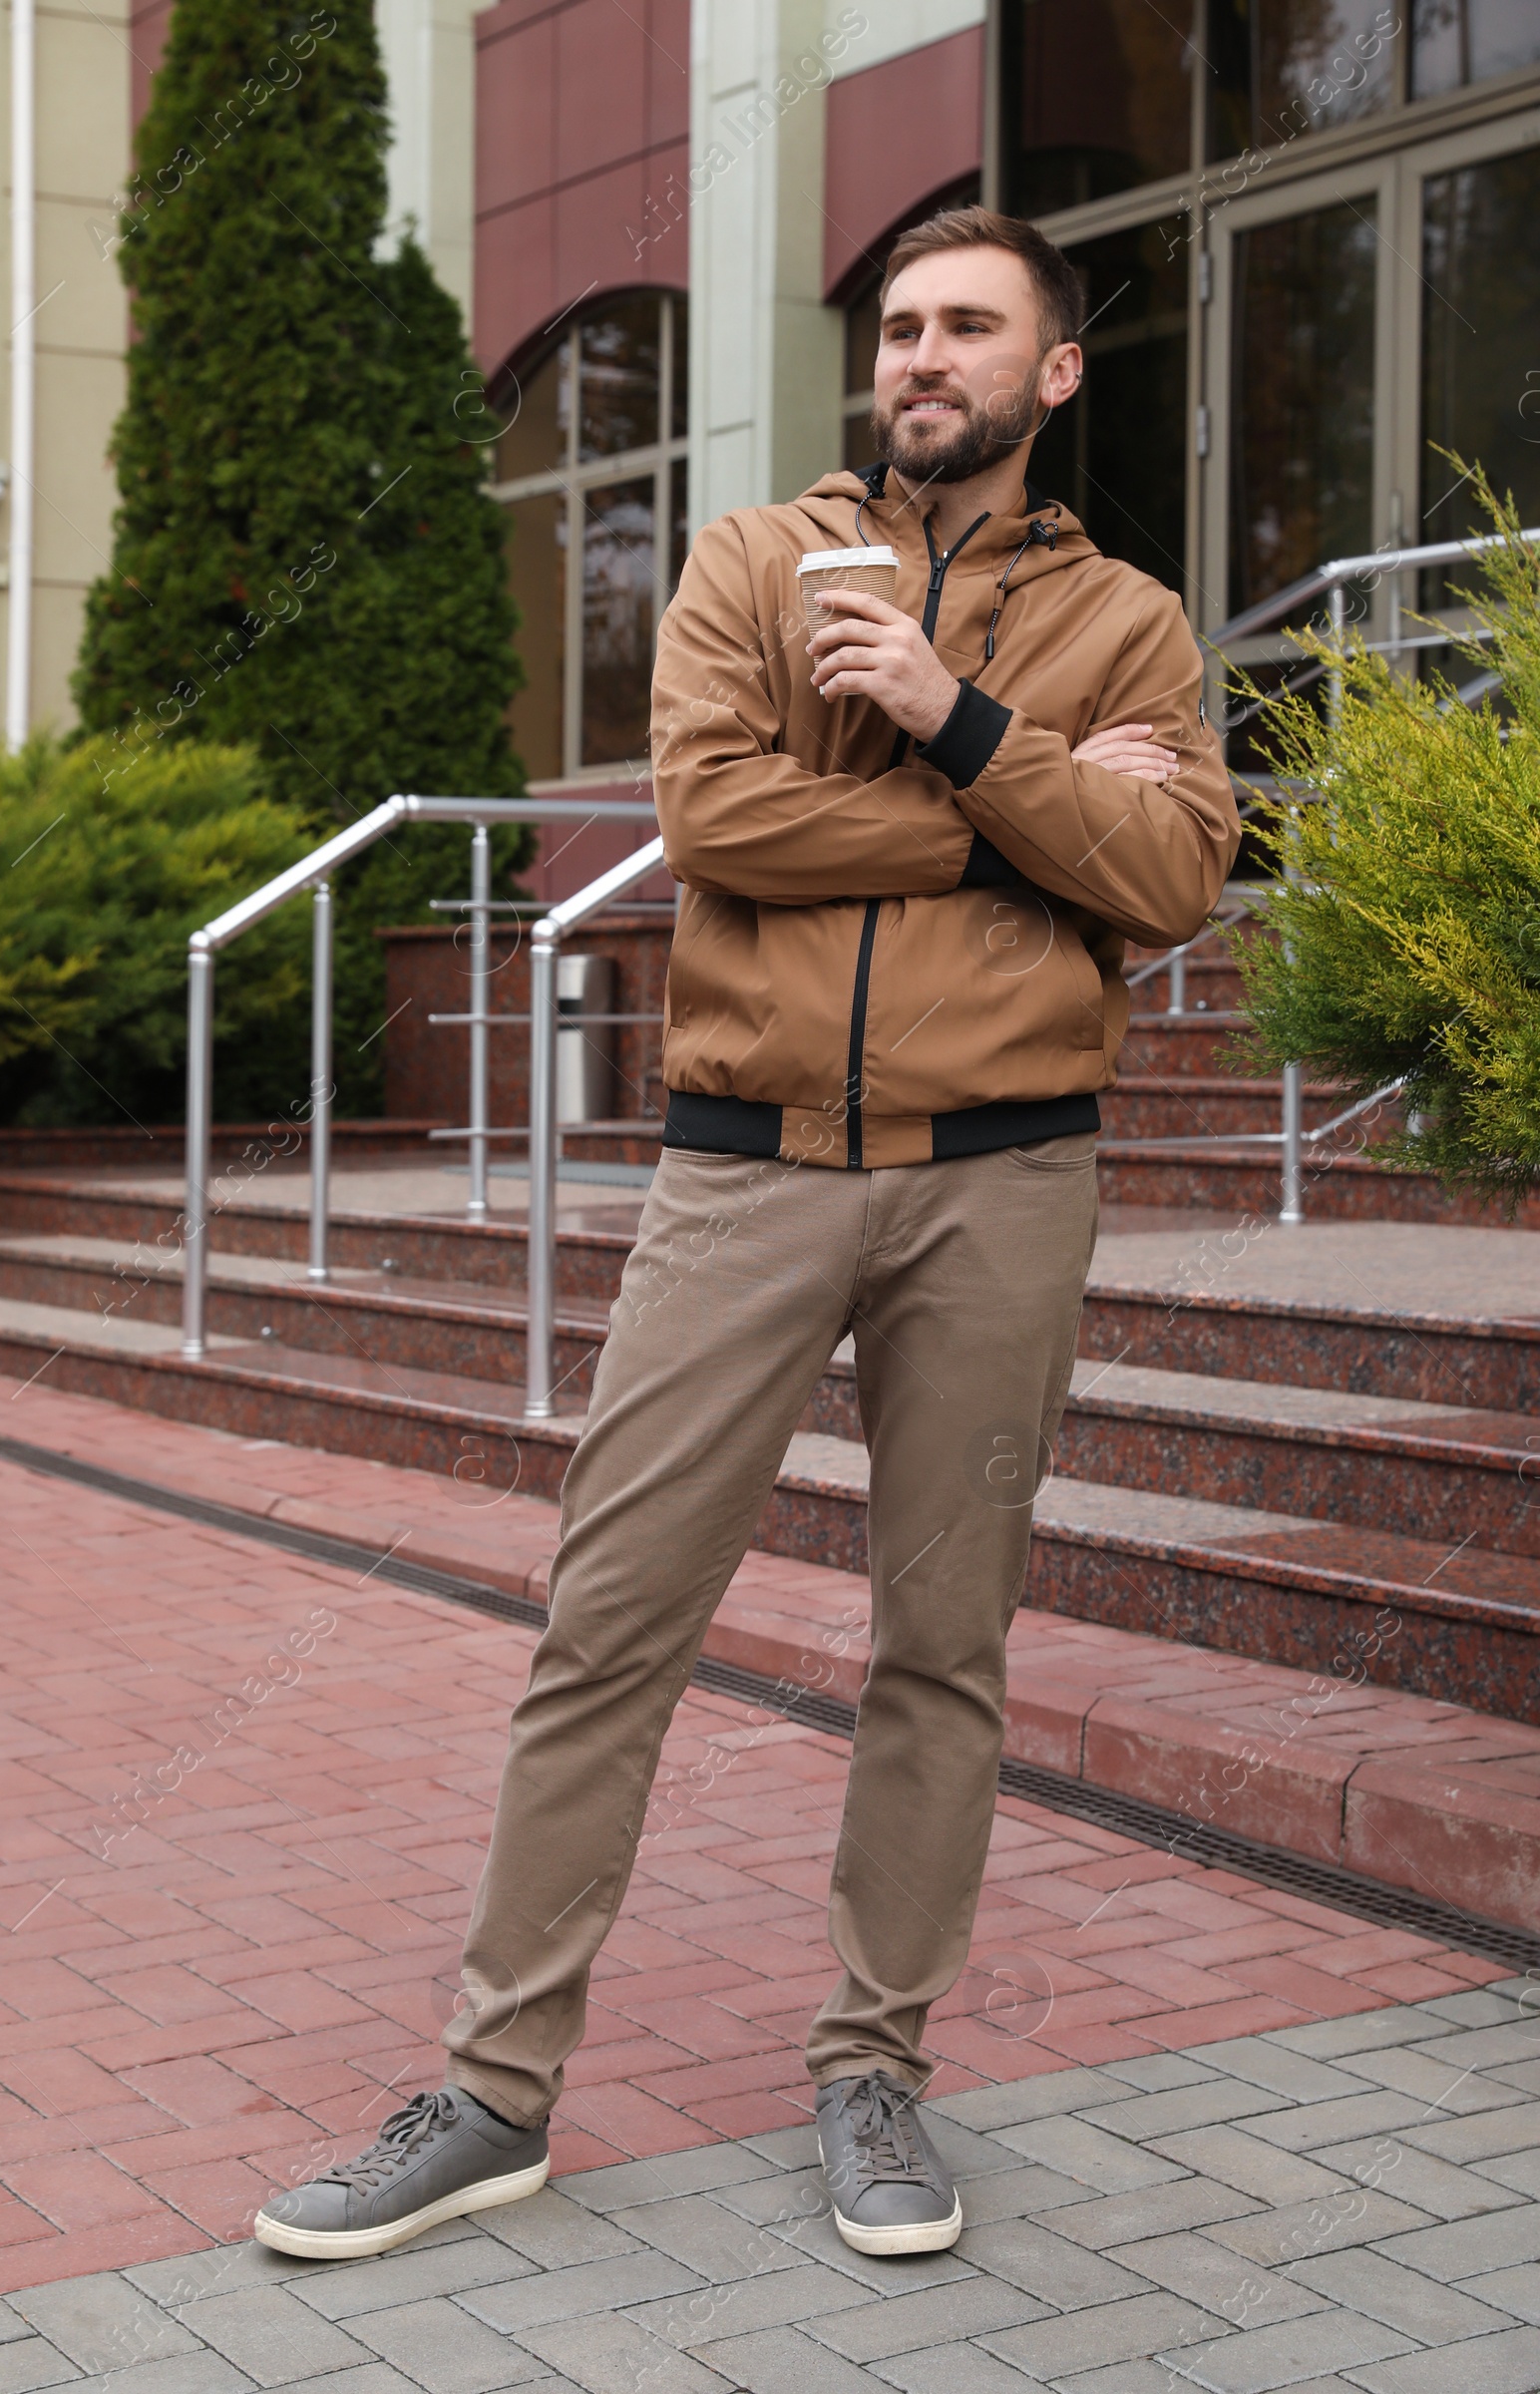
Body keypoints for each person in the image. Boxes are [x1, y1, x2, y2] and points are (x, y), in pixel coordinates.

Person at [253, 204, 1239, 2265]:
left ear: (1052, 372)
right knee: (608, 1619)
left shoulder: (1133, 621)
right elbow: (714, 824)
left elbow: (1166, 883)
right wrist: (1024, 808)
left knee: (937, 1648)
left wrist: (948, 716)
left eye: (968, 326)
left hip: (1003, 1173)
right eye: (897, 326)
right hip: (742, 1165)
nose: (920, 356)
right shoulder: (749, 564)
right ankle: (491, 2089)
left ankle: (872, 2074)